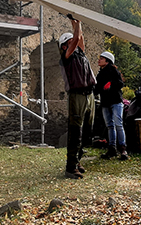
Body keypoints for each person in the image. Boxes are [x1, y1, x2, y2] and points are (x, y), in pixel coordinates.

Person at [58, 16, 96, 179]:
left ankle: (77, 160)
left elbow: (79, 40)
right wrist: (77, 25)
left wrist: (75, 22)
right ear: (65, 45)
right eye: (70, 41)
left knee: (87, 131)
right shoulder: (66, 57)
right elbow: (75, 41)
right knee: (76, 131)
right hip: (77, 96)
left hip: (89, 94)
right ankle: (70, 167)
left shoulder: (80, 54)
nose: (74, 42)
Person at [94, 51, 128, 160]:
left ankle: (123, 149)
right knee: (110, 125)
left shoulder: (113, 71)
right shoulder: (100, 74)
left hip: (116, 102)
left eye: (102, 58)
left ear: (107, 61)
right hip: (105, 102)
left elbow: (120, 84)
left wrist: (111, 84)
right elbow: (97, 89)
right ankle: (112, 148)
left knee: (118, 124)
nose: (99, 60)